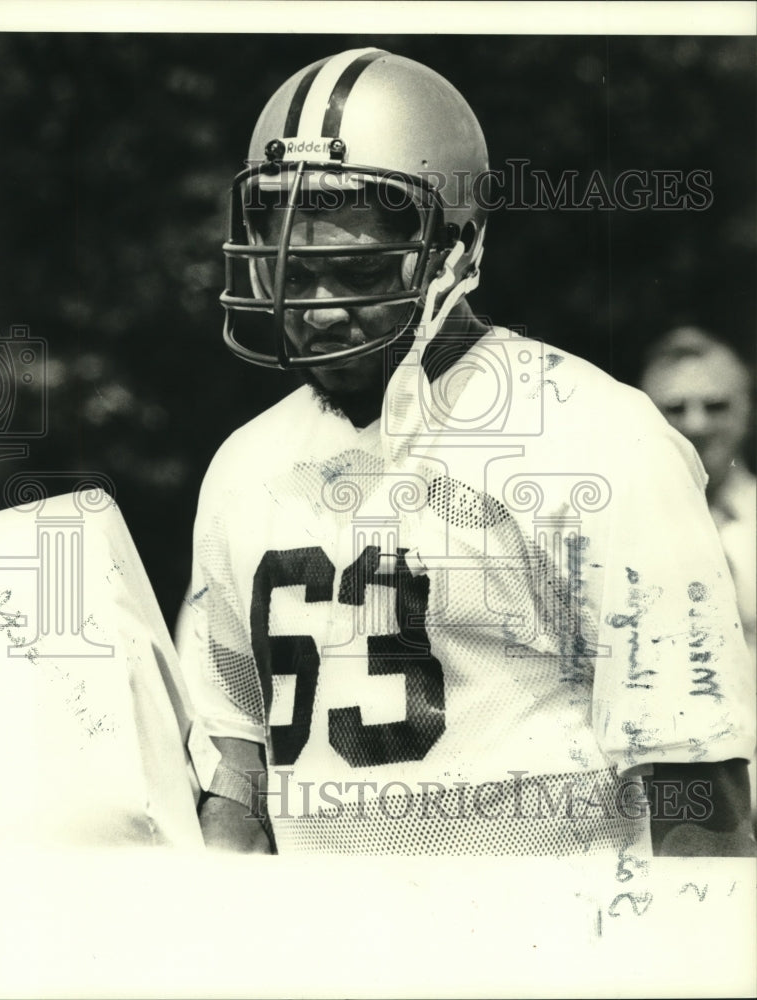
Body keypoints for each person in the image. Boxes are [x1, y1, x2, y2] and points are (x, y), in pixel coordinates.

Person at [178, 49, 755, 856]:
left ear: (456, 249)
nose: (316, 309)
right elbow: (234, 771)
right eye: (294, 272)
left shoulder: (594, 437)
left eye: (357, 270)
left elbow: (694, 782)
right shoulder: (247, 463)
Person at [640, 327, 756, 663]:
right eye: (675, 408)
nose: (696, 425)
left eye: (716, 405)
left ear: (747, 411)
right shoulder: (619, 528)